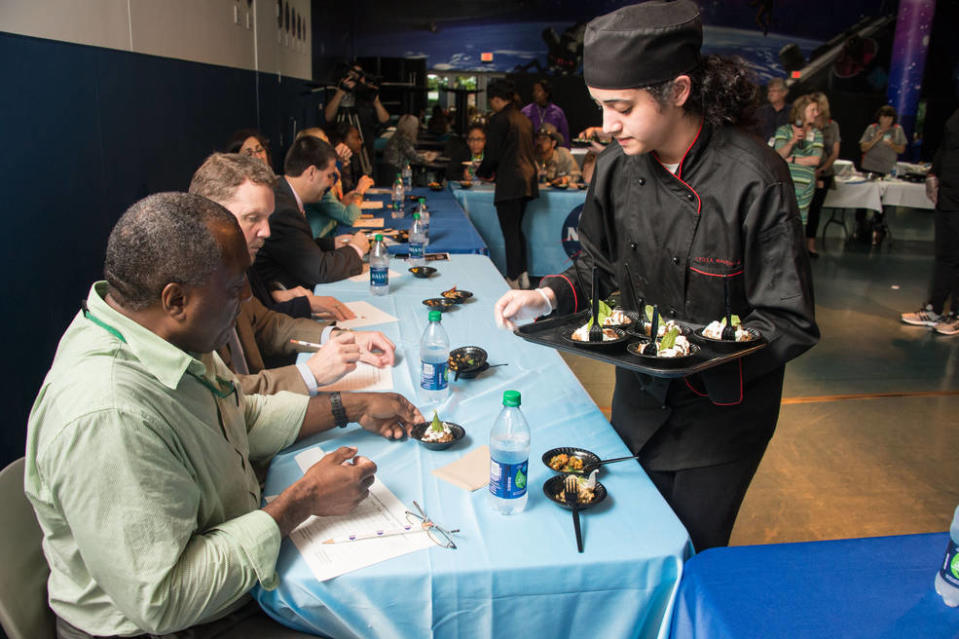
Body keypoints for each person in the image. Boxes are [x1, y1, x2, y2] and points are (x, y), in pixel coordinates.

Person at [493, 0, 818, 551]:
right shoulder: (617, 166)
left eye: (621, 107)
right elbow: (596, 267)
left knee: (689, 546)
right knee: (631, 534)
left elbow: (786, 318)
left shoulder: (754, 177)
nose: (606, 125)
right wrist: (547, 296)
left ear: (680, 91)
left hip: (721, 418)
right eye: (600, 107)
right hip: (637, 397)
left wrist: (697, 356)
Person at [24, 192, 422, 638]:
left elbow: (239, 416)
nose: (249, 296)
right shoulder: (108, 415)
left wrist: (351, 406)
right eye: (235, 287)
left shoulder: (166, 336)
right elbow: (165, 600)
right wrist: (302, 500)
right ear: (176, 300)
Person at [189, 152, 394, 395]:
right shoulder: (188, 295)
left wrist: (338, 337)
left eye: (267, 218)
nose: (266, 231)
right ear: (210, 216)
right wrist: (310, 374)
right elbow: (224, 396)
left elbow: (266, 325)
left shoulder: (232, 268)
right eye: (253, 218)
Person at [254, 136, 369, 289]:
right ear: (311, 173)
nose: (330, 183)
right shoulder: (283, 209)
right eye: (329, 176)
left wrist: (332, 243)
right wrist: (356, 250)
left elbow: (294, 246)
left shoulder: (283, 192)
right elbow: (319, 270)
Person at [901, 108, 959, 335]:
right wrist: (933, 173)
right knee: (945, 256)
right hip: (948, 195)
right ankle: (934, 309)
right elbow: (946, 147)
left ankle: (956, 314)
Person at [476, 79, 539, 290]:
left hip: (511, 181)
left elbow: (492, 154)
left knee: (510, 231)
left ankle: (512, 279)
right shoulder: (524, 119)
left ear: (495, 99)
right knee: (517, 230)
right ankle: (523, 274)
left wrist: (481, 172)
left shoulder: (500, 119)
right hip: (528, 180)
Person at [296, 127, 374, 239]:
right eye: (325, 143)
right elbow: (349, 218)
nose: (330, 147)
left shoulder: (324, 174)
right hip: (320, 241)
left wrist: (343, 202)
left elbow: (332, 208)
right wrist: (359, 192)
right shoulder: (316, 183)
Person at [324, 62, 389, 175]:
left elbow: (385, 120)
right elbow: (328, 117)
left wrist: (376, 100)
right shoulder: (336, 93)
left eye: (359, 76)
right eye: (352, 75)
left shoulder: (365, 96)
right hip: (341, 148)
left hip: (365, 148)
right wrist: (340, 93)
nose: (356, 79)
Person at [857, 105, 908, 243]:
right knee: (863, 197)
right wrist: (875, 139)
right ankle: (860, 226)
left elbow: (902, 150)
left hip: (886, 169)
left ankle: (878, 227)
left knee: (882, 201)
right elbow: (863, 147)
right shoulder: (872, 129)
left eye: (890, 117)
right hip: (869, 167)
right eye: (884, 116)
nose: (887, 120)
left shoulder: (897, 130)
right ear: (879, 117)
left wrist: (892, 144)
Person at [774, 94, 823, 224]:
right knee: (782, 219)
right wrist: (792, 141)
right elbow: (779, 156)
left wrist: (793, 159)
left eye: (816, 110)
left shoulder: (817, 134)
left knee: (800, 223)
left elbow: (815, 160)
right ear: (802, 110)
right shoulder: (784, 130)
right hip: (786, 184)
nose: (816, 113)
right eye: (812, 110)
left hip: (805, 186)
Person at [805, 92, 841, 257]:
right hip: (804, 172)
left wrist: (821, 170)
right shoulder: (804, 124)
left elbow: (834, 152)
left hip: (823, 173)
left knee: (815, 210)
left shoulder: (832, 126)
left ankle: (811, 244)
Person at [383, 114, 438, 180]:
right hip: (395, 172)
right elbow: (414, 157)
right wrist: (428, 158)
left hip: (390, 170)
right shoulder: (403, 139)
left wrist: (424, 156)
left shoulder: (397, 136)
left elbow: (410, 154)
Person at [521, 78, 571, 150]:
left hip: (553, 152)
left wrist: (565, 151)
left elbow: (564, 135)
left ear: (546, 93)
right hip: (531, 151)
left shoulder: (557, 112)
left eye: (539, 91)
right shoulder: (526, 111)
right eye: (534, 90)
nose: (535, 93)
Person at [755, 78, 791, 143]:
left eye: (774, 91)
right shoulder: (761, 111)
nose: (770, 94)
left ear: (784, 93)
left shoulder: (792, 112)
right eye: (769, 91)